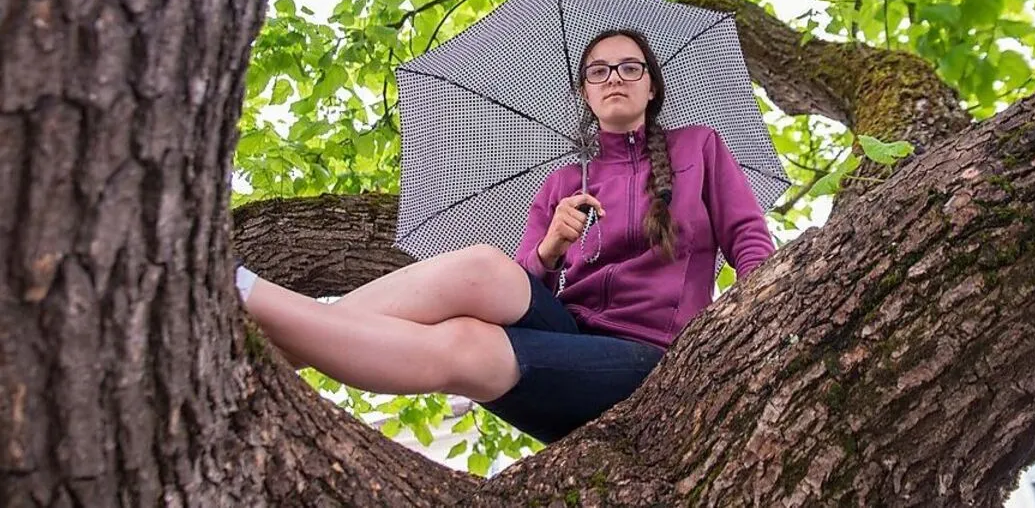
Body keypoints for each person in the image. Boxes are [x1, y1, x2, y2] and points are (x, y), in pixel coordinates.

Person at [236, 29, 775, 443]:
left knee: (468, 343)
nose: (615, 77)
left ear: (651, 85)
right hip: (566, 330)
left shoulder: (698, 148)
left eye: (629, 67)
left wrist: (753, 322)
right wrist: (551, 247)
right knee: (483, 267)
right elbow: (523, 282)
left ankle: (247, 296)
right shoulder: (565, 181)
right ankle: (281, 344)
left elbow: (748, 236)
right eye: (598, 71)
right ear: (584, 93)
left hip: (645, 357)